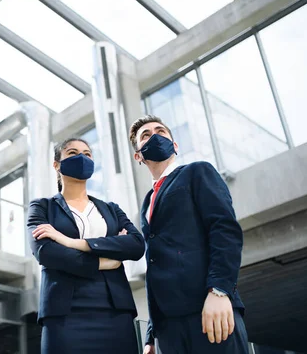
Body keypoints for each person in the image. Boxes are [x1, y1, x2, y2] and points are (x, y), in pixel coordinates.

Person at [128, 115, 248, 354]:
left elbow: (224, 230)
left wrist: (219, 290)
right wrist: (152, 333)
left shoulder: (197, 172)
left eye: (161, 131)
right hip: (170, 329)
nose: (155, 136)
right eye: (146, 135)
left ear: (175, 145)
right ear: (138, 155)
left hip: (209, 311)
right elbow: (155, 264)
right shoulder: (146, 203)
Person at [27, 137, 146, 354]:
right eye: (72, 153)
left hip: (115, 310)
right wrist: (106, 260)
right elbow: (46, 252)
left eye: (87, 154)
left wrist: (73, 243)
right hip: (64, 313)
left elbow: (136, 245)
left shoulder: (111, 209)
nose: (81, 158)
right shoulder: (42, 207)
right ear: (57, 164)